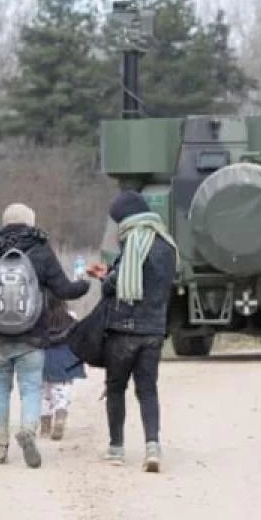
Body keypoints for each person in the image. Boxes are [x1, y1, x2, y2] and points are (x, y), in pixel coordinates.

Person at [0, 203, 89, 468]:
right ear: (31, 223)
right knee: (31, 388)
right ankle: (28, 431)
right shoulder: (41, 251)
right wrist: (86, 283)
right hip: (32, 336)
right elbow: (65, 290)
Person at [87, 191, 179, 473]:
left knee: (116, 388)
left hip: (123, 330)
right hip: (154, 329)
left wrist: (105, 279)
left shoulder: (134, 242)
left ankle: (116, 448)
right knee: (148, 390)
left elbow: (116, 286)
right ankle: (153, 445)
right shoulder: (167, 243)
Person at [40, 299, 85, 441]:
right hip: (65, 359)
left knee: (43, 393)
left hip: (43, 357)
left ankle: (45, 425)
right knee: (62, 392)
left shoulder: (39, 317)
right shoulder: (70, 318)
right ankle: (59, 417)